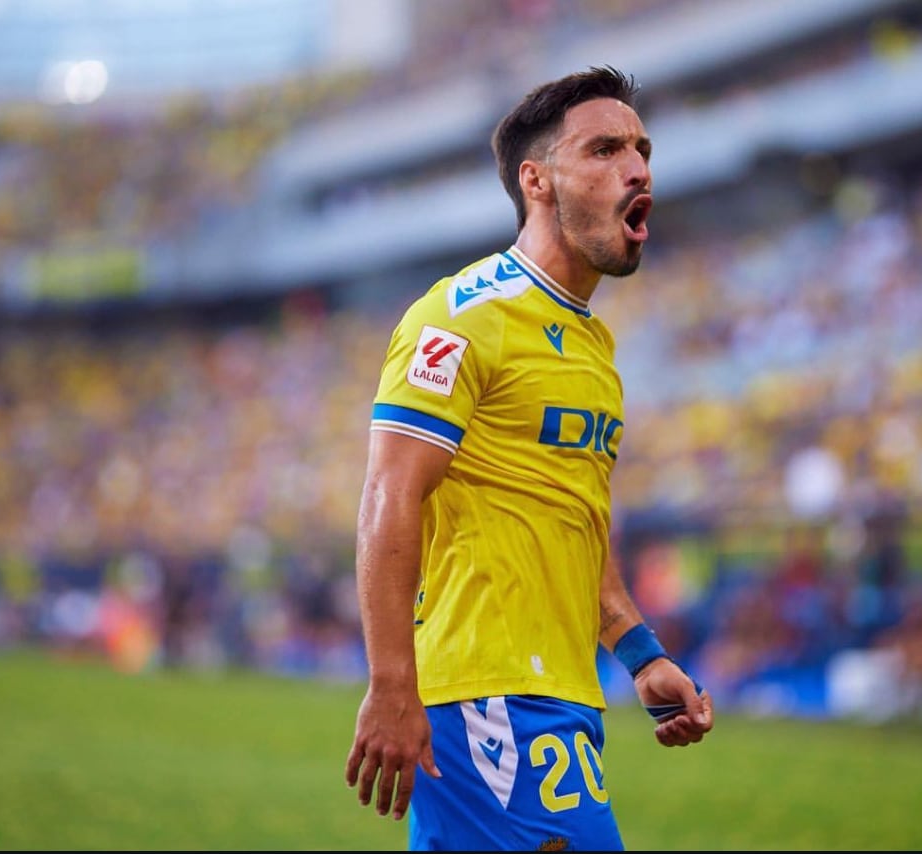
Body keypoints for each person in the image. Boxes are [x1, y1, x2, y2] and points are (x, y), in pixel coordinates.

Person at [344, 65, 714, 851]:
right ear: (537, 180)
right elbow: (388, 495)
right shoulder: (461, 314)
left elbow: (573, 516)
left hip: (561, 690)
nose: (639, 167)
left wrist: (640, 653)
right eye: (606, 149)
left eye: (643, 149)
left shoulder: (594, 346)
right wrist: (390, 684)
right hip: (489, 691)